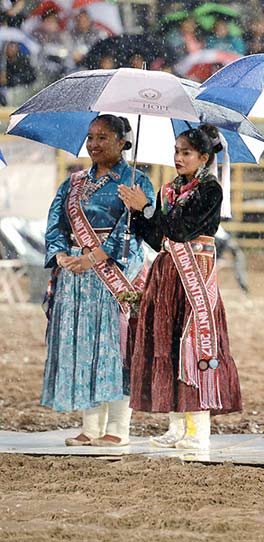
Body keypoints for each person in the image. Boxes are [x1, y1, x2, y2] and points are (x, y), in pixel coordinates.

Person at [120, 124, 242, 450]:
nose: (178, 158)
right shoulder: (168, 190)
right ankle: (176, 425)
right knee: (168, 342)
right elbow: (156, 238)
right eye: (176, 151)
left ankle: (198, 428)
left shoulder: (210, 190)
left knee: (193, 342)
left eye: (186, 152)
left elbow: (181, 229)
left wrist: (148, 208)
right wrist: (140, 214)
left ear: (203, 157)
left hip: (194, 273)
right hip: (167, 272)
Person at [42, 114, 154, 447]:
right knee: (83, 345)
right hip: (76, 276)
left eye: (103, 137)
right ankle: (90, 427)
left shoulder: (136, 181)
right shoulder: (73, 182)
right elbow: (56, 223)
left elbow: (130, 230)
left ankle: (118, 427)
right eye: (90, 137)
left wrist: (94, 257)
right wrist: (62, 256)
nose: (93, 144)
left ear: (123, 142)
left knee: (114, 347)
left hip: (114, 274)